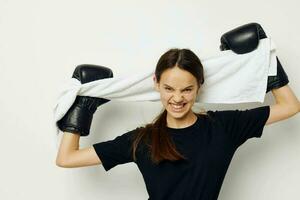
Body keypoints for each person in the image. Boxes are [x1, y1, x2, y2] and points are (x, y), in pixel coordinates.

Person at [55, 23, 299, 200]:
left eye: (187, 89)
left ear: (199, 87)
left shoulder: (224, 126)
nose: (178, 98)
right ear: (156, 84)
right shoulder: (142, 140)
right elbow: (66, 158)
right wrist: (82, 107)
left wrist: (265, 59)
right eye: (169, 88)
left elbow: (290, 106)